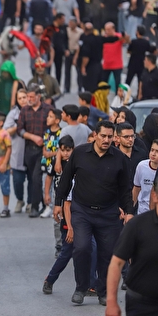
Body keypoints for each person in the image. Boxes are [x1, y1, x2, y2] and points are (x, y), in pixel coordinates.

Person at [55, 120, 134, 306]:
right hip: (82, 211)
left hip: (108, 214)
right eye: (103, 136)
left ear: (114, 137)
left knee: (107, 254)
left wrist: (129, 212)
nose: (106, 140)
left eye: (109, 136)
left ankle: (103, 291)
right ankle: (81, 288)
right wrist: (59, 203)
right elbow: (66, 179)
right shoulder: (80, 153)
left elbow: (125, 189)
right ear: (96, 135)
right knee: (82, 248)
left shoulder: (119, 158)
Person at [106, 170, 158, 316]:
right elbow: (116, 263)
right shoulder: (137, 225)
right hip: (141, 305)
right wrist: (111, 302)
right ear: (154, 196)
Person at [42, 135, 75, 293]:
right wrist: (48, 196)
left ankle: (93, 285)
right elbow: (49, 179)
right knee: (66, 250)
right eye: (63, 151)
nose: (66, 153)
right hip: (62, 204)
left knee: (93, 249)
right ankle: (50, 279)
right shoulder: (58, 165)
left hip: (82, 210)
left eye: (69, 150)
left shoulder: (77, 163)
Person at [17, 83, 53, 218]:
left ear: (39, 97)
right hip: (29, 149)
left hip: (43, 150)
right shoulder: (25, 110)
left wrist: (44, 140)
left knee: (37, 177)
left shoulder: (48, 109)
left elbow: (53, 127)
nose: (29, 99)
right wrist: (32, 137)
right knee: (32, 178)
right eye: (28, 97)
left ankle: (35, 206)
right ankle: (38, 203)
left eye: (32, 97)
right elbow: (20, 129)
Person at [4, 88, 29, 213]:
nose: (22, 100)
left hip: (31, 152)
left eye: (24, 97)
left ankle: (31, 203)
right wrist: (17, 125)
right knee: (18, 181)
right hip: (17, 152)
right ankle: (20, 200)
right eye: (20, 98)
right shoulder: (13, 114)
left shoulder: (33, 111)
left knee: (33, 180)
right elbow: (5, 131)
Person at [41, 108, 62, 219]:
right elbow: (44, 147)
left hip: (56, 164)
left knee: (56, 186)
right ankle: (47, 205)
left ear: (57, 120)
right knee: (45, 183)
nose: (47, 118)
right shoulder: (47, 132)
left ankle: (55, 205)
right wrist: (45, 153)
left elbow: (61, 149)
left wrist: (52, 153)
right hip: (46, 164)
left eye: (50, 116)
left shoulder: (61, 133)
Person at [132, 139, 158, 215]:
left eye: (157, 151)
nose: (153, 154)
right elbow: (136, 189)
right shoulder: (142, 166)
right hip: (142, 211)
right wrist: (130, 210)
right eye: (152, 150)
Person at [65, 18, 83, 93]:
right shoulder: (66, 30)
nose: (70, 25)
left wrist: (76, 55)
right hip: (68, 52)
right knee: (67, 71)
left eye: (71, 23)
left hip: (77, 52)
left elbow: (80, 44)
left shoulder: (80, 32)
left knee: (79, 71)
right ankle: (67, 88)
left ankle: (80, 87)